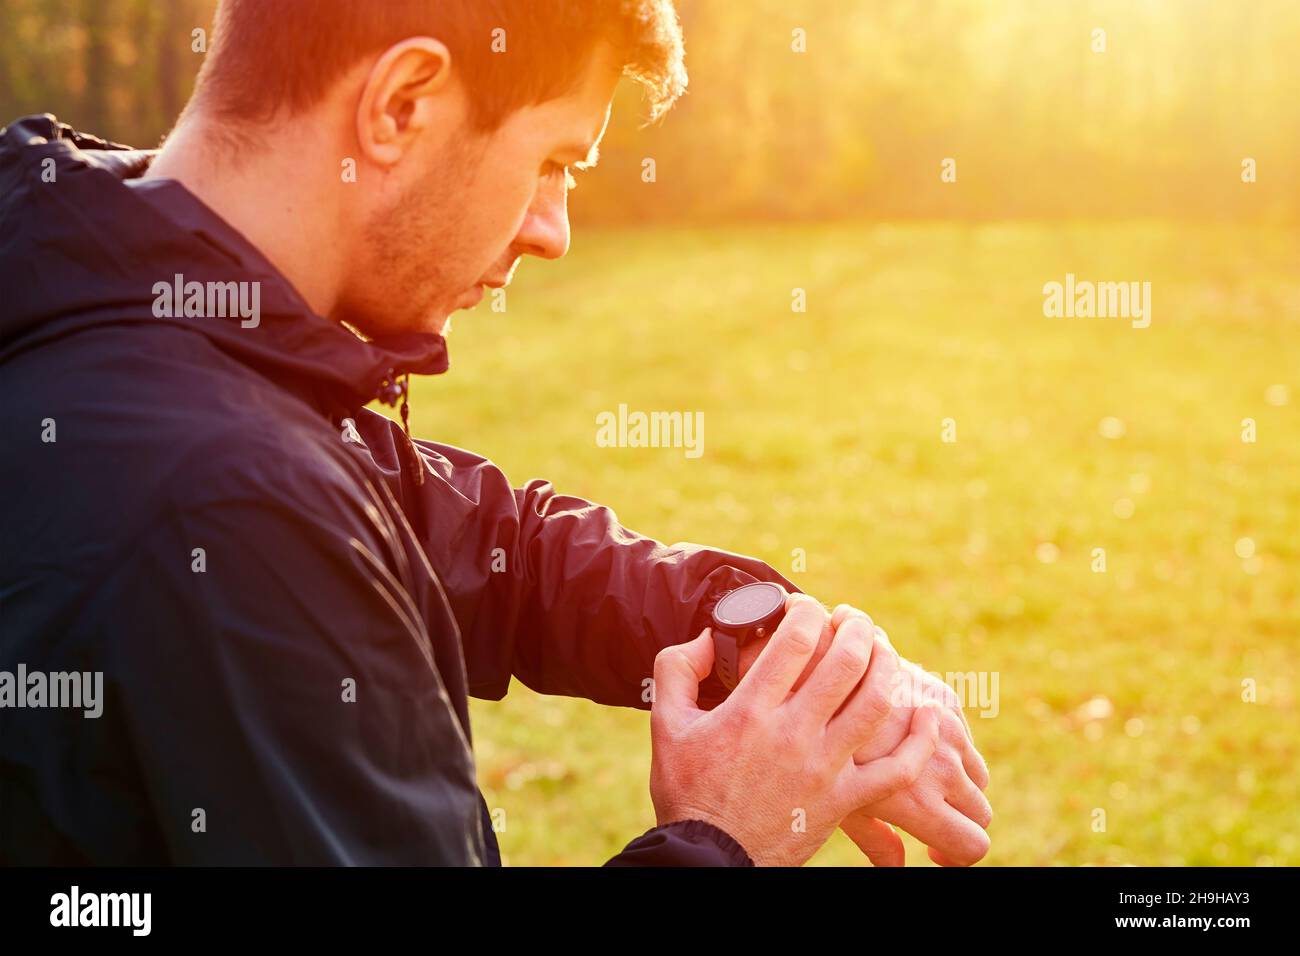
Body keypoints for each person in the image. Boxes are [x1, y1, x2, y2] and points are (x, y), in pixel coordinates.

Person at [0, 0, 990, 866]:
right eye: (554, 161)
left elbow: (492, 552)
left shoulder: (118, 298)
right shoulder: (230, 501)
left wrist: (767, 643)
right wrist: (721, 834)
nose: (553, 230)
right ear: (401, 107)